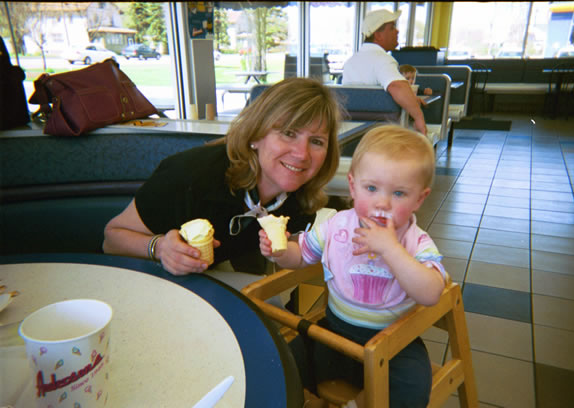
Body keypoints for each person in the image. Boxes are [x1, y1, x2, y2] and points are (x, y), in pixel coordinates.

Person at [259, 124, 446, 408]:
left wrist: (391, 249)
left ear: (419, 198)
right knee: (286, 358)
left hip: (392, 344)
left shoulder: (415, 241)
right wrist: (280, 252)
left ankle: (359, 404)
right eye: (371, 188)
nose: (382, 202)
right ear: (352, 186)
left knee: (412, 387)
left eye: (399, 193)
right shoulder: (336, 225)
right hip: (335, 333)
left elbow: (431, 293)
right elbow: (301, 257)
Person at [103, 77, 342, 278]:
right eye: (288, 133)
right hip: (146, 278)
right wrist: (160, 248)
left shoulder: (302, 198)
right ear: (255, 136)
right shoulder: (189, 176)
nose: (302, 154)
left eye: (316, 141)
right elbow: (111, 239)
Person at [342, 9, 428, 137]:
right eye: (392, 28)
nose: (397, 31)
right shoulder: (382, 59)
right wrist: (419, 118)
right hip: (381, 134)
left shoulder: (351, 61)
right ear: (378, 35)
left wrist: (409, 99)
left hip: (352, 133)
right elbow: (397, 87)